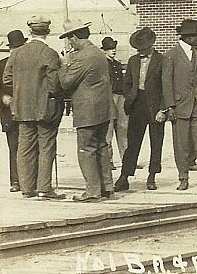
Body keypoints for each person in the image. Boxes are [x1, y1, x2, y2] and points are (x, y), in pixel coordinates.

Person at [3, 16, 65, 200]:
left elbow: (7, 79)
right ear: (47, 32)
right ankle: (44, 189)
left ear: (30, 32)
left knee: (24, 147)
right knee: (46, 147)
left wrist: (21, 90)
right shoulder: (50, 54)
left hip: (21, 109)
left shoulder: (16, 53)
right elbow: (54, 85)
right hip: (45, 108)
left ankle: (27, 188)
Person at [58, 19, 115, 202]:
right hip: (104, 109)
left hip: (88, 111)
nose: (70, 43)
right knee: (102, 147)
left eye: (69, 39)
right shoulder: (97, 53)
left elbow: (66, 83)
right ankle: (107, 187)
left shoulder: (82, 57)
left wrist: (65, 63)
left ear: (74, 37)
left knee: (86, 149)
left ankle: (92, 191)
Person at [162, 19, 197, 191]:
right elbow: (166, 82)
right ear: (188, 37)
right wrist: (170, 107)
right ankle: (183, 177)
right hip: (180, 107)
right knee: (181, 145)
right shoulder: (171, 55)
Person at [114, 28, 165, 192]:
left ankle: (152, 176)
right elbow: (126, 82)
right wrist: (130, 98)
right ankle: (124, 177)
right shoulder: (133, 61)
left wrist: (163, 109)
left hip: (155, 106)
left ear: (151, 45)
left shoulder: (161, 60)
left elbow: (166, 87)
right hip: (137, 104)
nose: (140, 51)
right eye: (138, 48)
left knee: (156, 143)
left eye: (143, 47)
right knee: (133, 143)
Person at [1, 30, 26, 192]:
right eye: (14, 48)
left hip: (26, 110)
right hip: (8, 112)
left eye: (19, 47)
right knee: (14, 146)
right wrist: (3, 96)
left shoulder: (27, 63)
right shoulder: (1, 65)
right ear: (10, 48)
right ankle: (16, 181)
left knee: (29, 146)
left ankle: (30, 179)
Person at [101, 37, 127, 171]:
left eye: (114, 49)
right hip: (109, 97)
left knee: (123, 128)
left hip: (120, 96)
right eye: (110, 49)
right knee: (108, 129)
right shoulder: (103, 64)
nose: (113, 51)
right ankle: (108, 160)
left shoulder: (117, 64)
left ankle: (126, 158)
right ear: (104, 50)